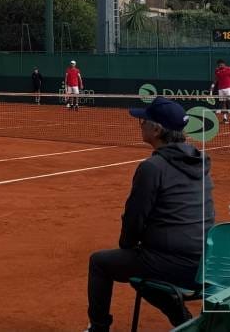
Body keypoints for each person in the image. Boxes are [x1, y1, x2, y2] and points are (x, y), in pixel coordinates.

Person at [85, 97, 214, 332]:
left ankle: (99, 327)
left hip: (175, 264)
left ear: (156, 129)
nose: (140, 124)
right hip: (207, 261)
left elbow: (135, 218)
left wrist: (127, 245)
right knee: (140, 270)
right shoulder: (200, 161)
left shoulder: (152, 168)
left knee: (100, 263)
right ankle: (183, 321)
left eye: (143, 121)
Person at [210, 59, 230, 125]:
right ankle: (225, 118)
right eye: (219, 65)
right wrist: (212, 86)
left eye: (221, 64)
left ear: (224, 64)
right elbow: (216, 79)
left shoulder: (229, 69)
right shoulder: (217, 70)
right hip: (220, 89)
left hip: (229, 87)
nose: (220, 65)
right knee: (223, 103)